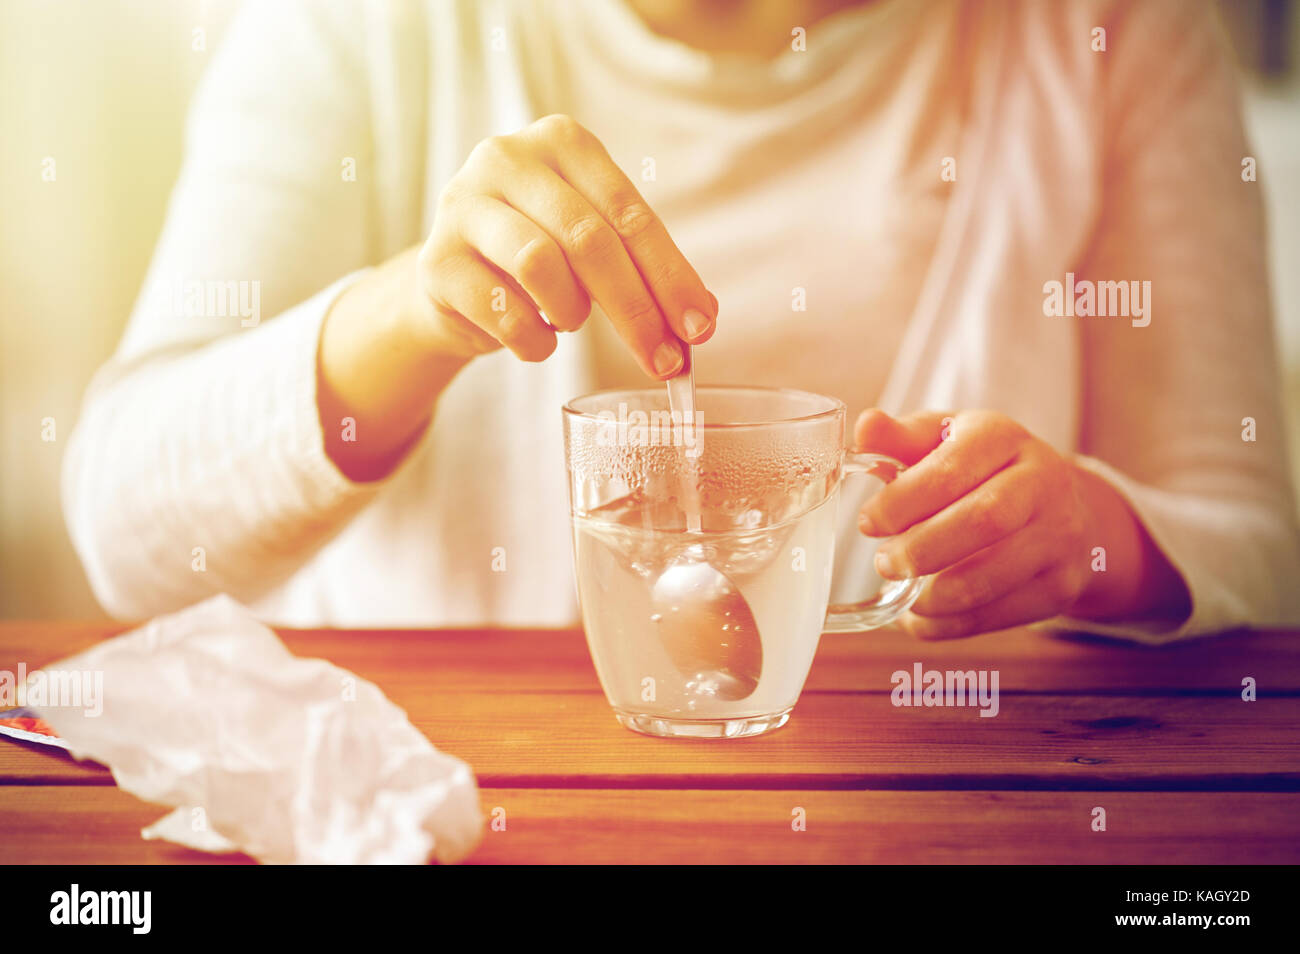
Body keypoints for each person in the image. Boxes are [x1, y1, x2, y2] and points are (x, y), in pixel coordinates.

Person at [63, 0, 1300, 642]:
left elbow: (1252, 542)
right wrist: (409, 313)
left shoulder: (1113, 32)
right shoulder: (364, 26)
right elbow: (127, 536)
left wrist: (1104, 542)